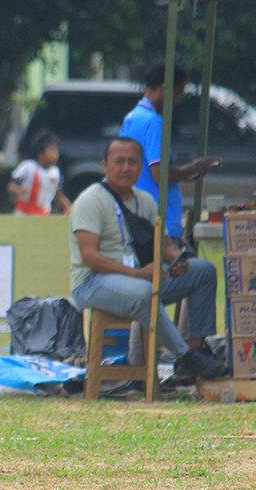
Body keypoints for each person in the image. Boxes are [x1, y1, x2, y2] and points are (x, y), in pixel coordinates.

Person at [69, 137, 227, 381]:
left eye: (132, 162)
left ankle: (197, 349)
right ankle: (184, 356)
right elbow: (89, 257)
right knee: (144, 291)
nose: (125, 168)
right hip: (93, 282)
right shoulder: (91, 200)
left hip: (140, 278)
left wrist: (177, 261)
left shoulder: (145, 200)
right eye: (118, 161)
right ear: (104, 166)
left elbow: (164, 247)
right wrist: (137, 274)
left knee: (203, 270)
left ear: (141, 167)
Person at [120, 62, 220, 241]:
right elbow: (160, 173)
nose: (176, 101)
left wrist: (188, 173)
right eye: (177, 93)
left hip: (138, 215)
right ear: (165, 88)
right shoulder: (153, 121)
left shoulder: (132, 116)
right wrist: (192, 169)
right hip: (160, 219)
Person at [8, 129, 72, 215]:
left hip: (43, 214)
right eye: (51, 151)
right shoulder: (28, 167)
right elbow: (11, 186)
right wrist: (20, 190)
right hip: (23, 213)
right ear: (41, 153)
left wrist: (69, 207)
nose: (55, 155)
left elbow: (58, 195)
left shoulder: (55, 172)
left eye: (56, 151)